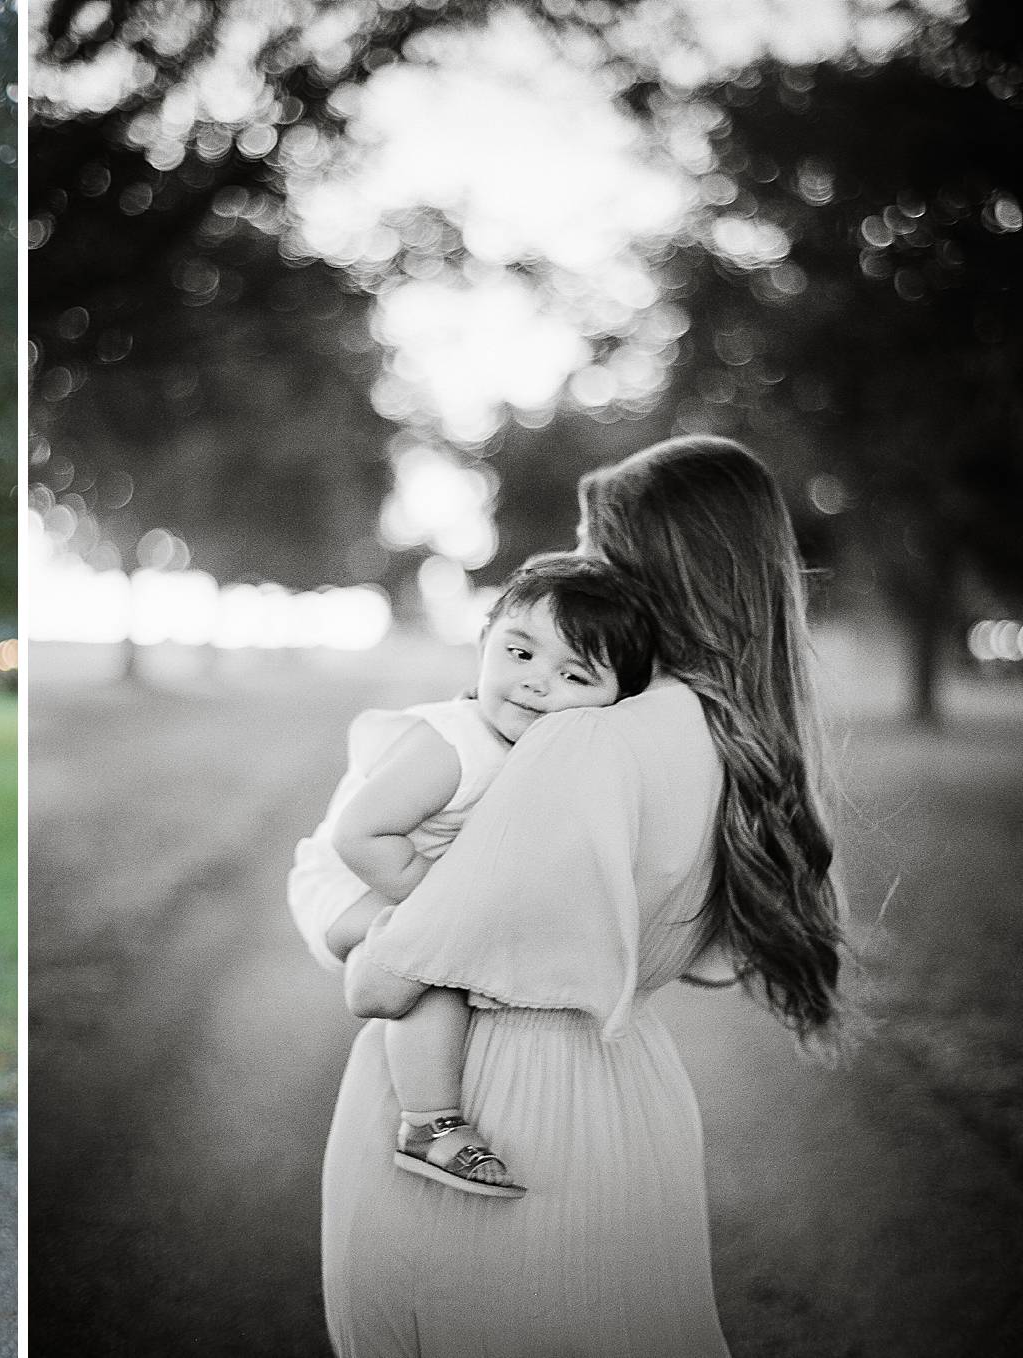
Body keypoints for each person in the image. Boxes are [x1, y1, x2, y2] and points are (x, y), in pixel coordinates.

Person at [291, 435, 849, 1357]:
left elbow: (382, 984)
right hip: (623, 1096)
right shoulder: (735, 747)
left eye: (597, 548)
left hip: (501, 1103)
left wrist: (340, 901)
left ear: (649, 568)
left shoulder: (583, 743)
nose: (583, 570)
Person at [321, 555, 655, 1199]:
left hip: (399, 873)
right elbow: (359, 835)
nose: (535, 683)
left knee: (446, 954)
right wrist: (441, 905)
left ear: (616, 704)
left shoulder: (541, 752)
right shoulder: (455, 749)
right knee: (437, 971)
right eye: (520, 653)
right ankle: (429, 1124)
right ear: (484, 642)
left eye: (574, 674)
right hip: (352, 883)